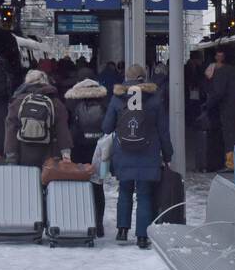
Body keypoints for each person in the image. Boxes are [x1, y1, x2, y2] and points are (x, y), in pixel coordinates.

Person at [102, 63, 173, 249]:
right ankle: (142, 236)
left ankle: (122, 230)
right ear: (144, 77)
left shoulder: (117, 98)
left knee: (124, 191)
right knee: (144, 195)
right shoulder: (155, 99)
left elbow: (107, 127)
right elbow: (163, 131)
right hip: (147, 153)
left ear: (126, 77)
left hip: (123, 152)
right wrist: (168, 154)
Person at [65, 68, 108, 238]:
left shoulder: (72, 102)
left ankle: (81, 220)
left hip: (78, 149)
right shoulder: (104, 101)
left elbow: (68, 127)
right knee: (98, 186)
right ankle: (98, 224)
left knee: (79, 185)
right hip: (98, 150)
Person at [4, 68, 72, 168]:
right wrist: (66, 153)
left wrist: (10, 154)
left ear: (27, 82)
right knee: (46, 180)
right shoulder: (55, 102)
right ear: (45, 81)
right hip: (49, 153)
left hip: (23, 152)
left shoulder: (18, 101)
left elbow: (11, 129)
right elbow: (62, 129)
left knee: (26, 180)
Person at [203, 48, 235, 170]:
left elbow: (217, 92)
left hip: (228, 108)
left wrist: (207, 105)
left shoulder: (220, 73)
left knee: (229, 134)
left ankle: (230, 163)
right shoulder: (234, 71)